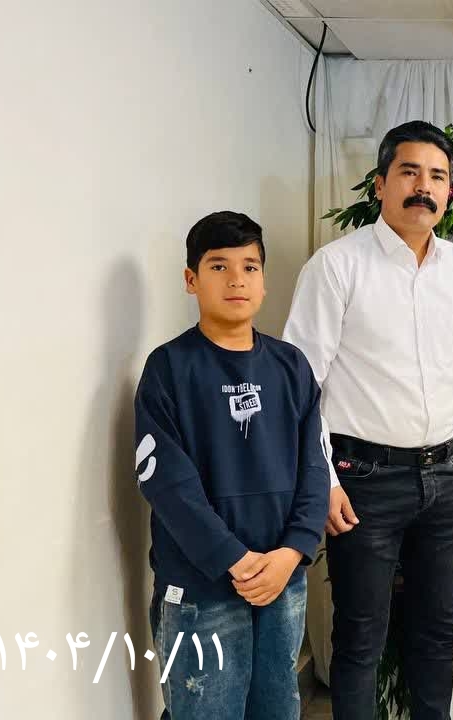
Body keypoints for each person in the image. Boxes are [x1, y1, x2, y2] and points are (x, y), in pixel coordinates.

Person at [283, 120, 453, 720]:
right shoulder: (336, 267)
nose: (423, 187)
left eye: (437, 176)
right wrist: (322, 480)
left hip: (449, 476)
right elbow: (300, 389)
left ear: (449, 191)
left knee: (437, 632)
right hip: (363, 482)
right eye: (409, 172)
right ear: (381, 183)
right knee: (361, 638)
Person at [135, 211, 330, 720]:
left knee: (277, 707)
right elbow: (167, 482)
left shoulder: (291, 367)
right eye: (218, 267)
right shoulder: (169, 368)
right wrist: (232, 558)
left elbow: (315, 468)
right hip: (201, 588)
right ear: (191, 279)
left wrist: (291, 553)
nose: (237, 279)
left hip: (282, 580)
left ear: (264, 280)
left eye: (250, 267)